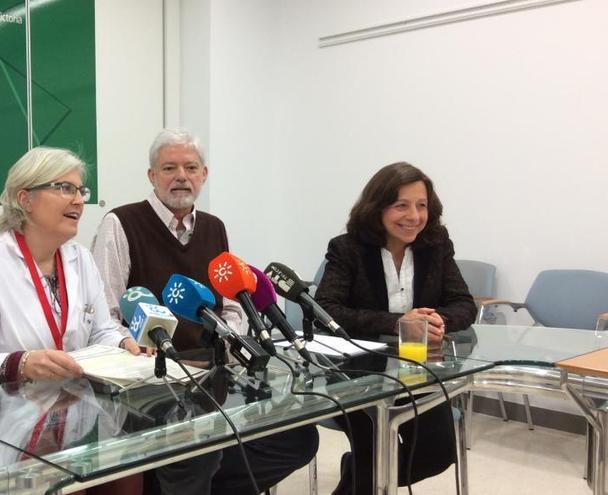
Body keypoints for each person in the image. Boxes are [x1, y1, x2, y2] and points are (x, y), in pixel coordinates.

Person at [91, 128, 318, 495]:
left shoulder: (214, 227)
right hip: (151, 385)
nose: (181, 176)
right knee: (198, 454)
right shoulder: (121, 224)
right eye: (169, 168)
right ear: (152, 176)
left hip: (212, 377)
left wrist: (228, 345)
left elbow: (231, 306)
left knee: (297, 439)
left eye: (190, 167)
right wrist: (143, 355)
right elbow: (106, 315)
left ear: (204, 175)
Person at [0, 146, 143, 494]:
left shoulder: (79, 259)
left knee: (131, 475)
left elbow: (103, 330)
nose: (78, 200)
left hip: (72, 429)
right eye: (64, 188)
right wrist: (23, 363)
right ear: (25, 199)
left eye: (81, 190)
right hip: (0, 442)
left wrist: (123, 344)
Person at [314, 161, 477, 495]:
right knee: (373, 458)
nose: (413, 216)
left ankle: (354, 472)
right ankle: (360, 474)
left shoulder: (436, 244)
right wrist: (397, 323)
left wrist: (438, 321)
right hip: (356, 375)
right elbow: (326, 310)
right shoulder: (347, 248)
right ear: (378, 208)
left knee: (437, 453)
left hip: (420, 370)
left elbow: (464, 303)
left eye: (421, 206)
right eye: (401, 205)